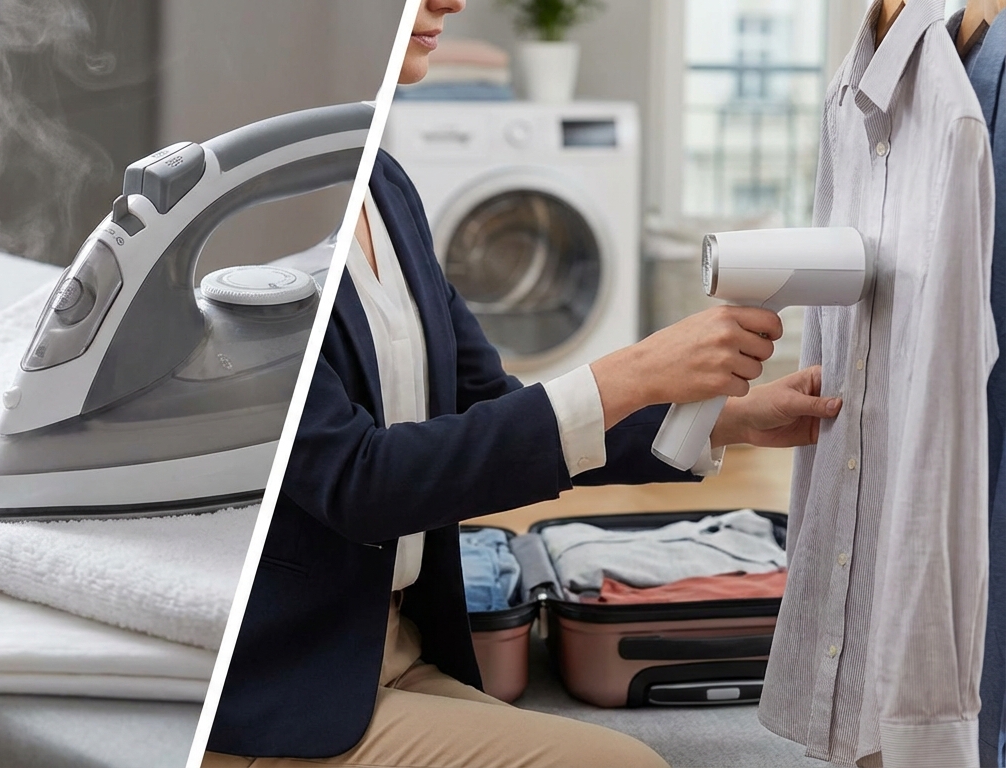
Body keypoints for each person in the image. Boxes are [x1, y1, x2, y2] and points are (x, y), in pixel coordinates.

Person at [203, 2, 843, 766]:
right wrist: (635, 370)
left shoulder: (385, 186)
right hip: (283, 682)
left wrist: (724, 420)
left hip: (382, 642)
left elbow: (493, 410)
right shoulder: (255, 224)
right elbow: (361, 481)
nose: (451, 3)